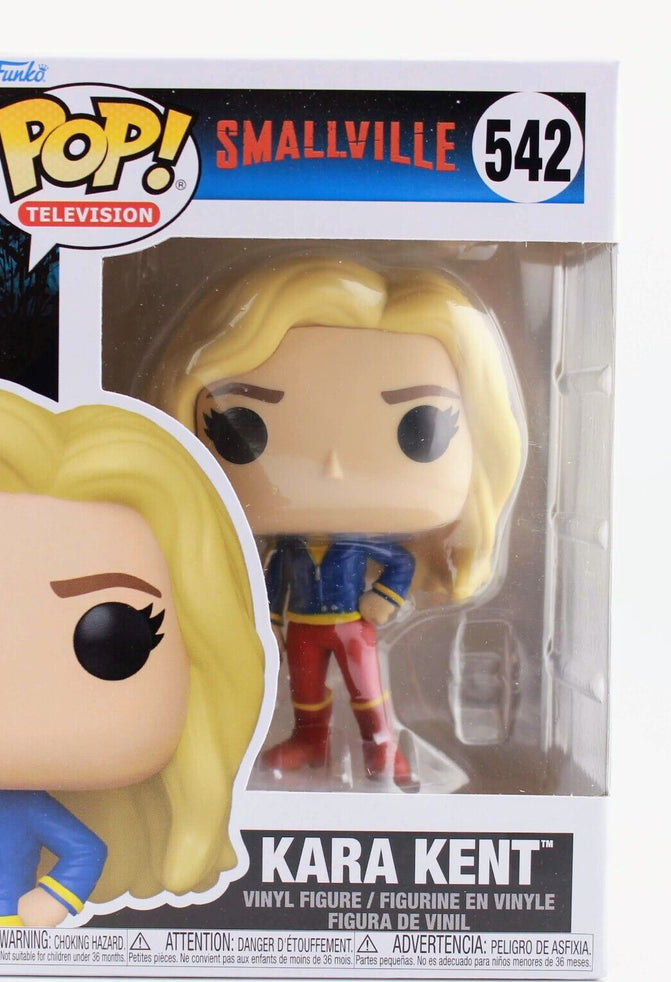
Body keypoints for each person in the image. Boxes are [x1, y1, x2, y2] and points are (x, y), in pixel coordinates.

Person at [152, 257, 524, 789]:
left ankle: (384, 747)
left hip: (353, 625)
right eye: (244, 428)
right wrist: (269, 620)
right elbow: (270, 579)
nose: (332, 466)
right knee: (305, 688)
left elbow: (398, 563)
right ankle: (310, 740)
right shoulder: (285, 550)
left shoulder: (361, 545)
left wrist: (387, 598)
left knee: (368, 690)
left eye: (418, 429)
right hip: (302, 627)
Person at [0, 386, 265, 924]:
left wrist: (54, 899)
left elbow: (85, 851)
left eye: (113, 640)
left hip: (9, 926)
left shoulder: (23, 807)